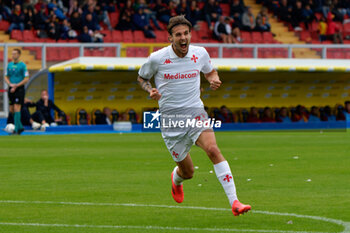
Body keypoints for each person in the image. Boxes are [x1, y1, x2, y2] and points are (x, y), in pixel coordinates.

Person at [137, 15, 251, 216]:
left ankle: (235, 202)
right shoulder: (157, 58)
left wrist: (214, 79)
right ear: (171, 37)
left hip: (195, 112)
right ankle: (176, 179)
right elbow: (142, 77)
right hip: (171, 121)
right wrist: (150, 90)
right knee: (188, 173)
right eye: (178, 34)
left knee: (213, 149)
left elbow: (210, 72)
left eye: (186, 33)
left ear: (191, 34)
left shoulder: (200, 53)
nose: (183, 38)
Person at [4, 49, 29, 134]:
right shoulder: (9, 65)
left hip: (19, 89)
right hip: (11, 88)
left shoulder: (23, 65)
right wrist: (10, 84)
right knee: (11, 109)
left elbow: (26, 78)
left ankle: (16, 129)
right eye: (12, 53)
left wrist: (16, 85)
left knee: (16, 108)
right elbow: (6, 77)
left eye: (14, 54)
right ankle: (20, 127)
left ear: (19, 55)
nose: (13, 55)